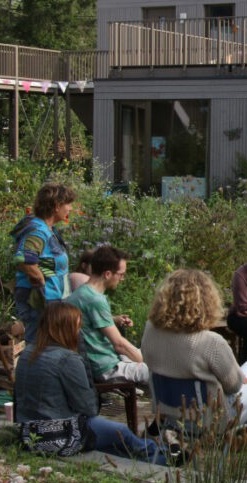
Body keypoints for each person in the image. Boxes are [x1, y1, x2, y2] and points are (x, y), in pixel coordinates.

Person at [14, 302, 162, 461]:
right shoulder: (67, 359)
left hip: (28, 434)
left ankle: (153, 458)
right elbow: (89, 407)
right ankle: (163, 458)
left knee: (117, 446)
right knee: (123, 433)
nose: (79, 332)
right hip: (59, 435)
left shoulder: (27, 353)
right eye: (78, 327)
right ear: (67, 328)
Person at [141, 269, 244, 418]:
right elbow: (234, 385)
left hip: (167, 412)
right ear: (207, 302)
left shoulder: (150, 330)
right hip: (207, 420)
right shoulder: (211, 342)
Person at [65, 246, 148, 386]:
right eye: (121, 274)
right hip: (106, 367)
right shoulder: (94, 300)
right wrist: (148, 361)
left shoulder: (82, 293)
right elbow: (119, 344)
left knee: (157, 358)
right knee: (163, 370)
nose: (122, 279)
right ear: (108, 274)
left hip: (98, 360)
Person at [11, 183, 75, 344]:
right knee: (40, 347)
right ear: (56, 206)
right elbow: (23, 260)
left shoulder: (47, 229)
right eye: (68, 204)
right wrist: (41, 282)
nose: (70, 208)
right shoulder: (38, 231)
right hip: (40, 302)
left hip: (51, 301)